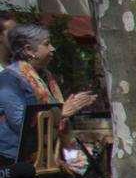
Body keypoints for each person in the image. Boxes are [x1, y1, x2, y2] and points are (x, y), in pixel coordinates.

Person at [0, 21, 94, 165]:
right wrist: (61, 112)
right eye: (46, 44)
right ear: (29, 50)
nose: (52, 48)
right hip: (17, 161)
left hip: (49, 157)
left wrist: (71, 106)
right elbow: (20, 124)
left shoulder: (47, 77)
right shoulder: (9, 79)